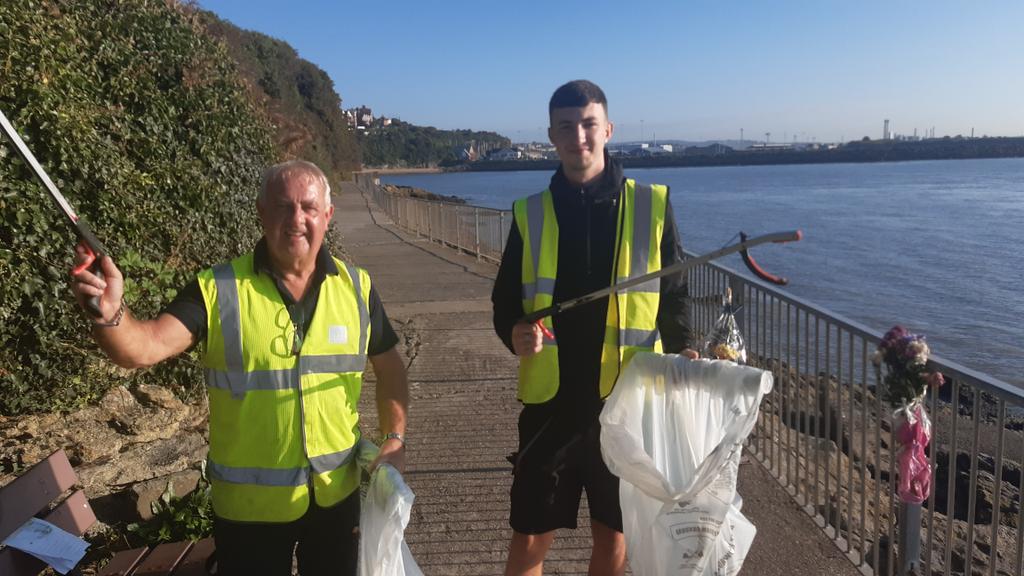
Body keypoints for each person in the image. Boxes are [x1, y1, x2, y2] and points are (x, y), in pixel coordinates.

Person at [70, 160, 409, 576]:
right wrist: (110, 316)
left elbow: (390, 364)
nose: (296, 219)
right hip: (250, 514)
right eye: (283, 207)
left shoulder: (357, 289)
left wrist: (394, 436)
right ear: (261, 213)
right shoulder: (218, 290)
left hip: (334, 502)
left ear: (328, 216)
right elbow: (143, 347)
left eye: (308, 207)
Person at [491, 80, 696, 576]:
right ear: (551, 136)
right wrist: (514, 331)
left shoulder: (651, 204)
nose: (578, 136)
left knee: (613, 533)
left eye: (588, 125)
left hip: (625, 405)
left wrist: (686, 347)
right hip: (550, 407)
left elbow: (674, 297)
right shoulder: (530, 213)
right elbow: (505, 300)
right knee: (530, 535)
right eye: (566, 127)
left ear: (608, 129)